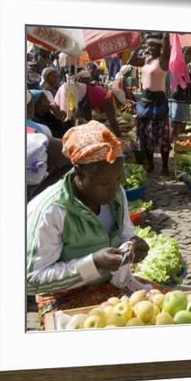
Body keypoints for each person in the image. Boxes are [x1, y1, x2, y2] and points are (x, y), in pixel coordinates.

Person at [26, 121, 151, 328]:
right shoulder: (52, 210)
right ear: (80, 173)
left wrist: (132, 245)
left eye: (118, 179)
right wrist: (93, 263)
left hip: (110, 284)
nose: (114, 188)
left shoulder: (117, 194)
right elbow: (32, 279)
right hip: (62, 297)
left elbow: (126, 233)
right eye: (104, 183)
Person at [128, 33, 171, 174]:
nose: (150, 48)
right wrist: (138, 45)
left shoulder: (163, 60)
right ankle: (150, 164)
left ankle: (165, 167)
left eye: (154, 46)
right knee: (145, 136)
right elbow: (131, 61)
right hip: (144, 102)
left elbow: (167, 47)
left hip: (158, 103)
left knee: (163, 137)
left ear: (160, 47)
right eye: (149, 45)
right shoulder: (145, 60)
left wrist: (166, 34)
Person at [169, 46, 191, 142]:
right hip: (177, 98)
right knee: (176, 124)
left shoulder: (186, 66)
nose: (189, 58)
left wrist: (190, 74)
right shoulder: (176, 65)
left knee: (181, 124)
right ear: (182, 54)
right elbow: (180, 81)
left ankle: (177, 144)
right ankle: (173, 144)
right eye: (188, 55)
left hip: (183, 99)